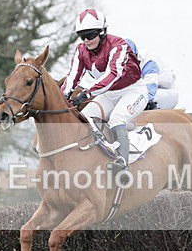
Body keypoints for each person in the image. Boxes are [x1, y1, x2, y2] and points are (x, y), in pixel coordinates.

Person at [61, 9, 148, 175]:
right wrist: (63, 96)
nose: (86, 40)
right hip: (108, 94)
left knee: (116, 119)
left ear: (102, 32)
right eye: (82, 36)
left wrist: (87, 93)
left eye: (90, 35)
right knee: (84, 119)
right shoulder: (81, 50)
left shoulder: (119, 45)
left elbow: (113, 74)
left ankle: (122, 163)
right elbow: (73, 76)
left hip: (133, 91)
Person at [125, 39, 179, 110]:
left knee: (138, 102)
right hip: (147, 89)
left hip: (164, 91)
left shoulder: (148, 61)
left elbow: (149, 90)